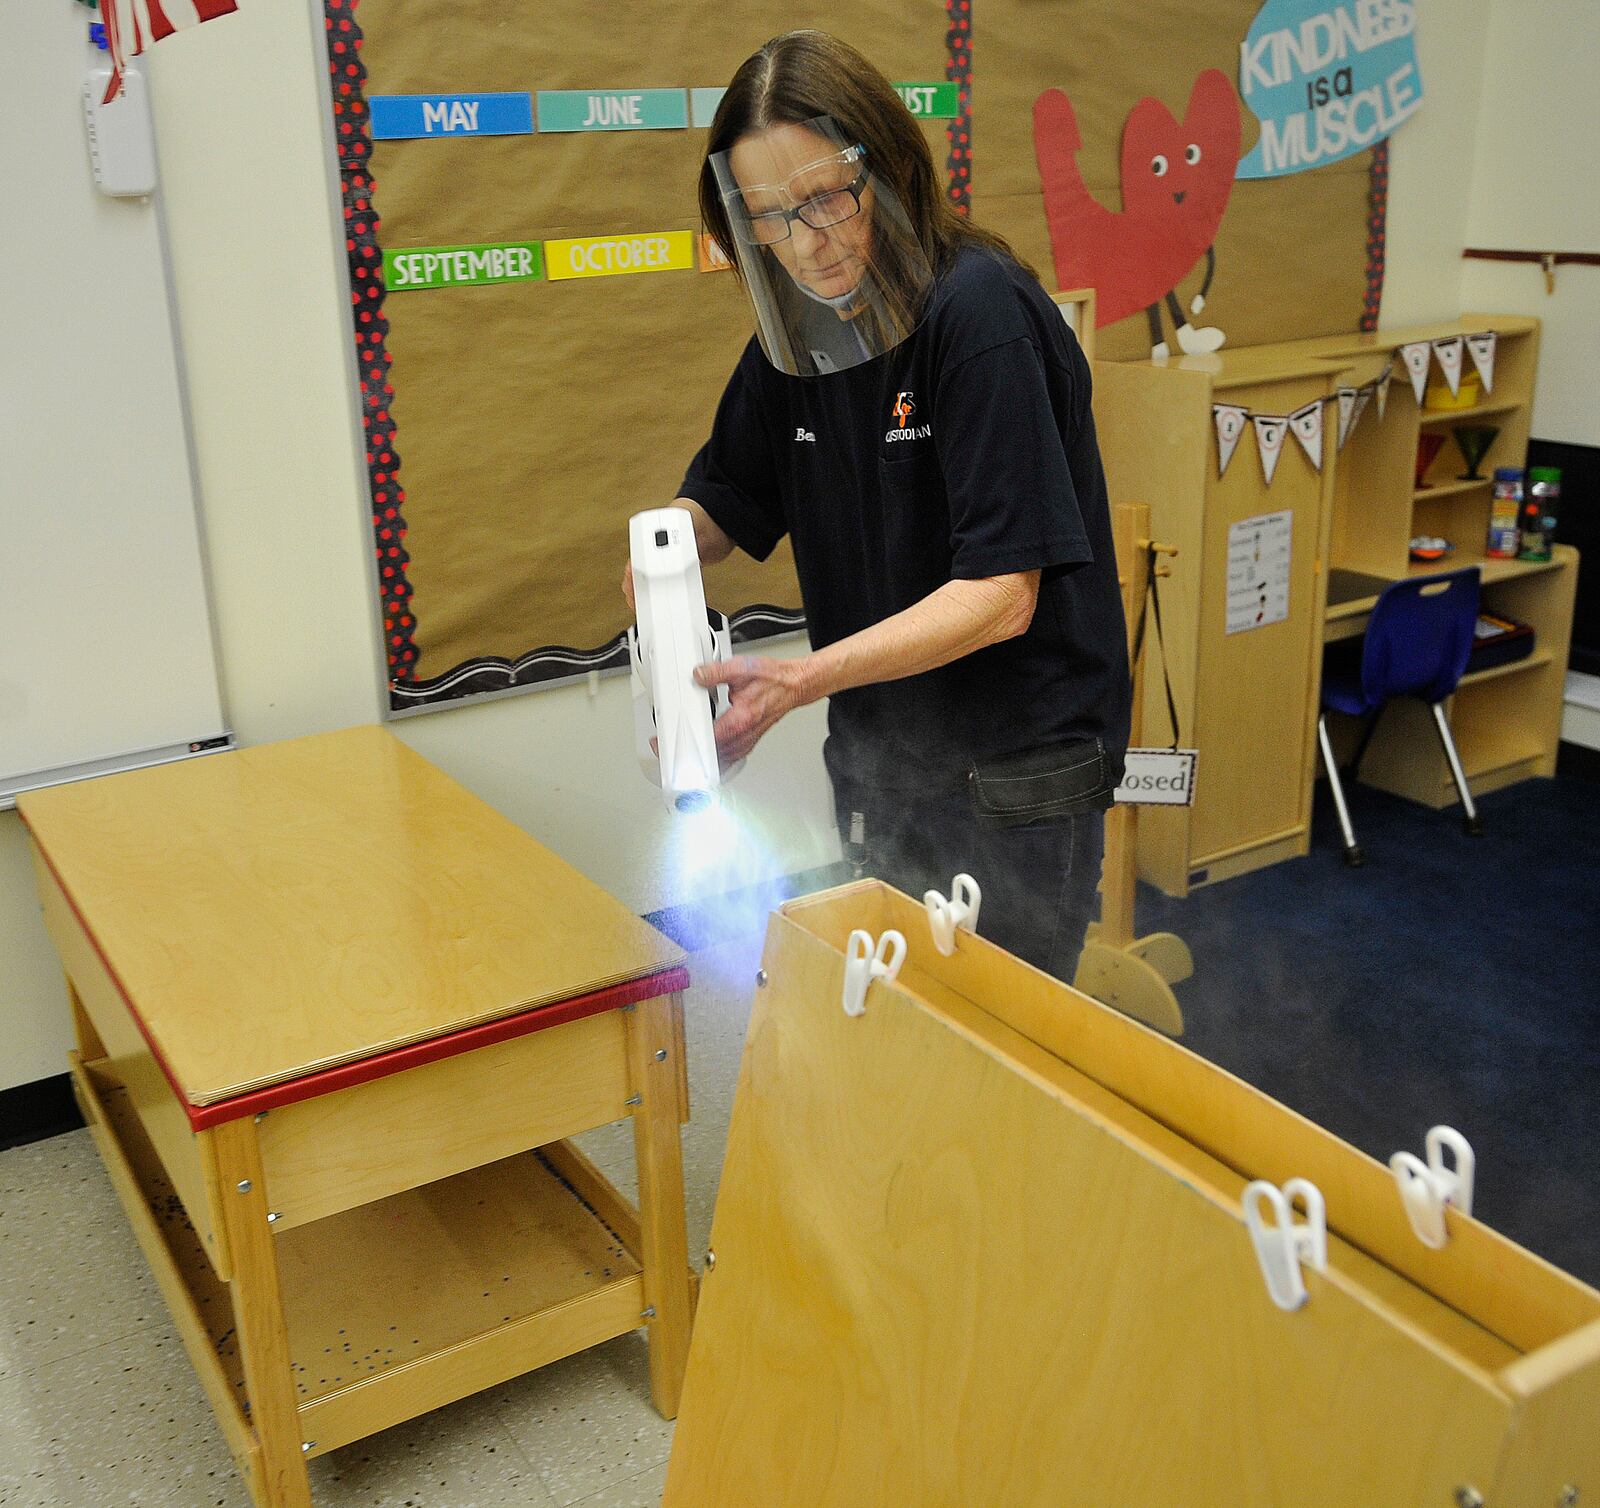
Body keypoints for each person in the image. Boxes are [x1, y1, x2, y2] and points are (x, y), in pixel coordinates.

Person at [627, 30, 1130, 980]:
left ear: (889, 166)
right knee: (898, 1041)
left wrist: (798, 680)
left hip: (1014, 775)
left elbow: (1000, 594)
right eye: (770, 216)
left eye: (824, 198)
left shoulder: (977, 317)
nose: (806, 242)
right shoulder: (797, 342)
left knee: (994, 1065)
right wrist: (662, 555)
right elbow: (725, 501)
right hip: (884, 764)